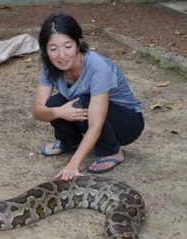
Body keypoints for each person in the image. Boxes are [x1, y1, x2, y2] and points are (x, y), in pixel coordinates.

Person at [33, 14, 144, 180]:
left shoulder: (97, 67)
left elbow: (96, 123)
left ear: (79, 43)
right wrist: (59, 112)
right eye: (53, 49)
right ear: (45, 50)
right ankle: (71, 143)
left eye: (68, 46)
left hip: (127, 123)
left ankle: (111, 151)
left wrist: (74, 164)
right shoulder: (50, 68)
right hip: (89, 110)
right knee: (54, 104)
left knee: (81, 102)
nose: (61, 55)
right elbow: (38, 110)